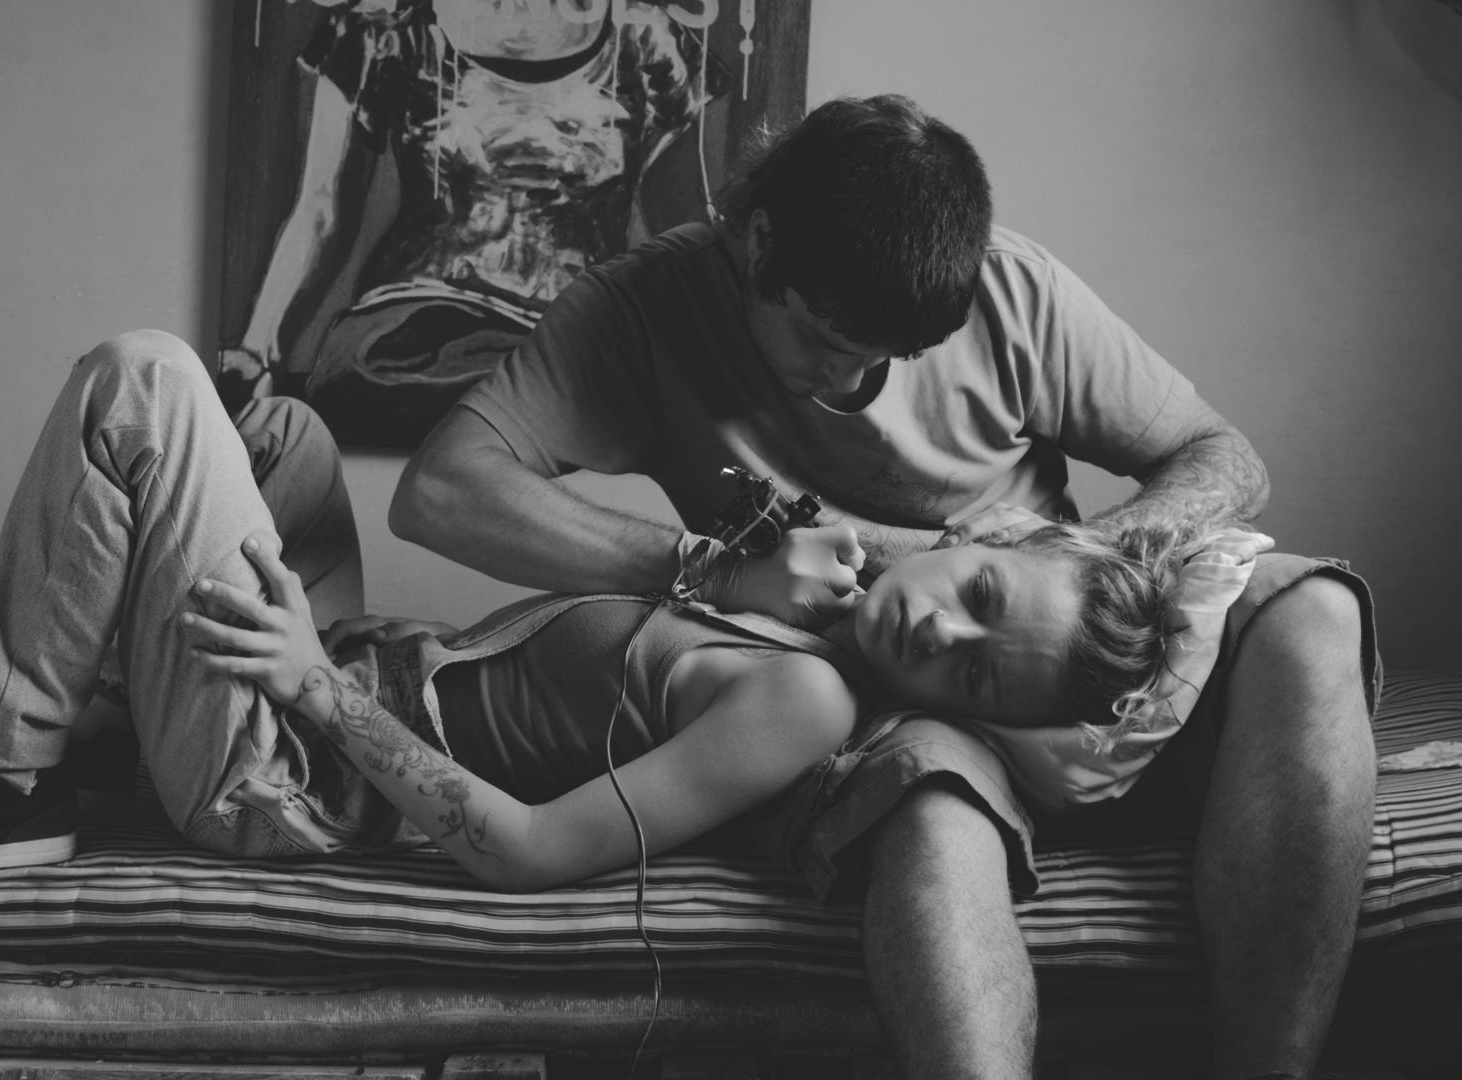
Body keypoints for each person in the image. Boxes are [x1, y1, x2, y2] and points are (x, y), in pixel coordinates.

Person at [386, 93, 1379, 1080]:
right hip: (901, 695)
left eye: (887, 358)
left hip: (1068, 619)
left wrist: (1062, 557)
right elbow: (441, 491)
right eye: (825, 344)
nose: (850, 379)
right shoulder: (641, 307)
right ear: (759, 242)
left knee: (1316, 611)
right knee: (929, 803)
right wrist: (712, 567)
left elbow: (1224, 458)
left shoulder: (1015, 288)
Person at [0, 328, 1213, 895]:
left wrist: (309, 685)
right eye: (978, 597)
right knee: (279, 434)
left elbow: (531, 853)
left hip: (293, 778)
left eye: (975, 677)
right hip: (354, 665)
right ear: (988, 536)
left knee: (140, 382)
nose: (939, 638)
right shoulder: (819, 591)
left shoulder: (805, 700)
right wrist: (736, 569)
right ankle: (113, 701)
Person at [220, 0, 725, 447]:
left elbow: (685, 237)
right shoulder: (385, 27)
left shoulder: (647, 37)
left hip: (576, 342)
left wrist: (730, 369)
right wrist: (257, 349)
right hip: (408, 335)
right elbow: (323, 209)